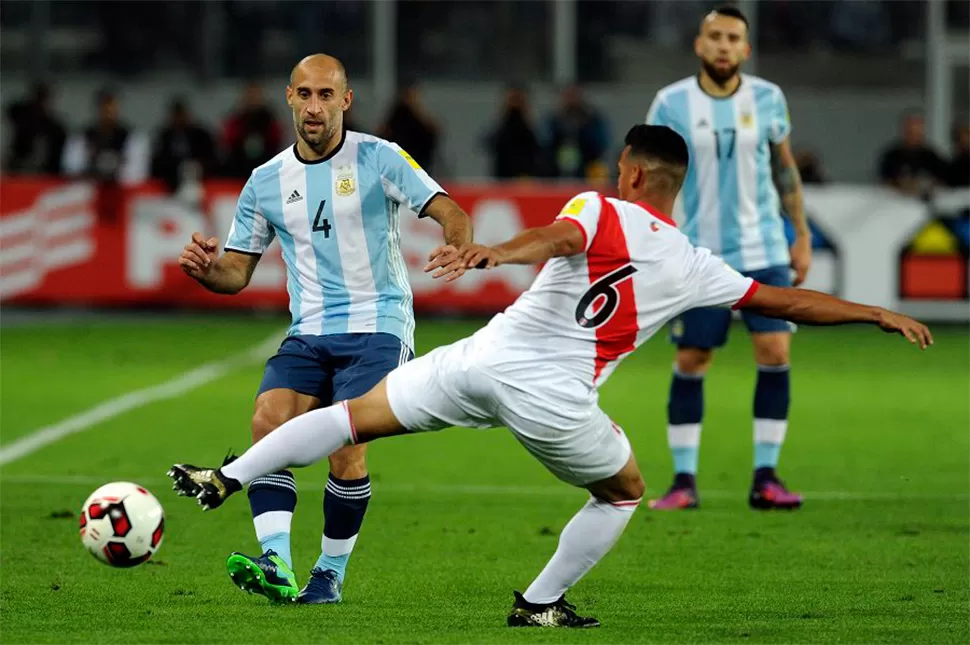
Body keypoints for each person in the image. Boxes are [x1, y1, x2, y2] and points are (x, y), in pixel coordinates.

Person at [168, 124, 932, 626]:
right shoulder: (699, 264)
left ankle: (230, 473)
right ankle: (539, 602)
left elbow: (559, 236)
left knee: (350, 416)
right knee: (626, 488)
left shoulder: (599, 208)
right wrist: (874, 311)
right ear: (673, 186)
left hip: (481, 358)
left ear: (630, 172)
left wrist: (493, 252)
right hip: (555, 398)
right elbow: (784, 298)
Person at [176, 54, 472, 605]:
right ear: (289, 97)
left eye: (326, 96)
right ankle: (278, 565)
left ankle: (329, 574)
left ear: (346, 100)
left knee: (345, 442)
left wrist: (458, 240)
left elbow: (449, 210)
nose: (315, 107)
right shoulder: (265, 181)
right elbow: (235, 273)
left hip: (379, 324)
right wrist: (205, 271)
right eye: (305, 95)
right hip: (309, 329)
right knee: (267, 422)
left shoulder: (379, 157)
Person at [645, 5, 812, 510]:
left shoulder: (768, 99)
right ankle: (683, 482)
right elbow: (650, 176)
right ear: (699, 44)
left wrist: (800, 233)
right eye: (714, 36)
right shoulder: (670, 102)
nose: (722, 45)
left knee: (776, 353)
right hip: (697, 254)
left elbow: (784, 169)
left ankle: (766, 477)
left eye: (732, 37)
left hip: (763, 247)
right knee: (693, 358)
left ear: (746, 48)